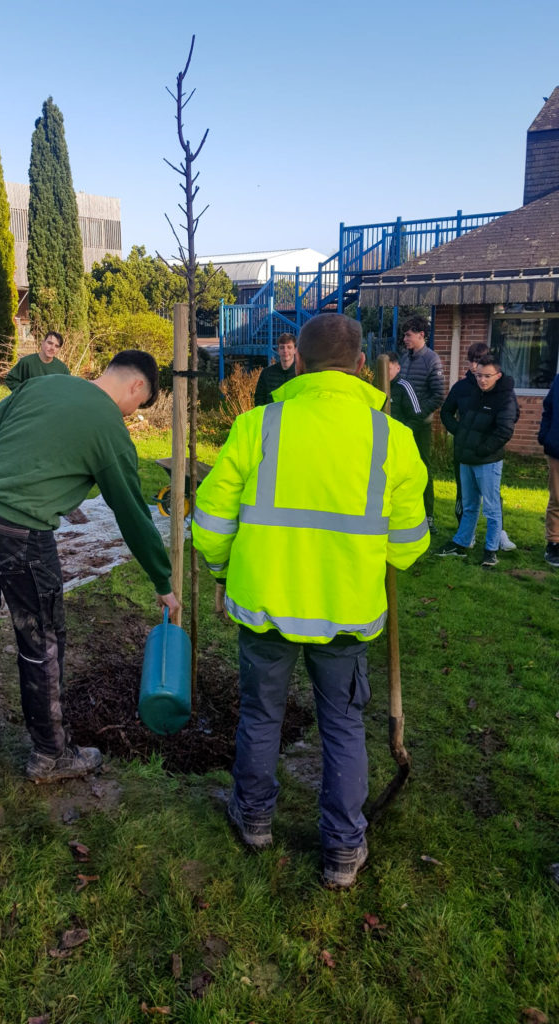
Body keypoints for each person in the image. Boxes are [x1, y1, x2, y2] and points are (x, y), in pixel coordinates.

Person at [192, 313, 428, 890]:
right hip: (346, 613)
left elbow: (211, 520)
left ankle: (253, 819)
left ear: (300, 359)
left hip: (266, 606)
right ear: (359, 366)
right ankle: (343, 851)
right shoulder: (390, 437)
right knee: (343, 726)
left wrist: (222, 573)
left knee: (260, 715)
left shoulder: (257, 426)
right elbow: (408, 543)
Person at [0, 350, 180, 782]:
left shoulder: (43, 384)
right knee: (41, 641)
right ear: (136, 387)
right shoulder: (108, 427)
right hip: (21, 534)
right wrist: (163, 579)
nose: (131, 414)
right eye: (137, 407)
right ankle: (51, 754)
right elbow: (132, 513)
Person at [438, 355, 518, 567]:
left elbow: (504, 431)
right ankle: (461, 543)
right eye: (479, 375)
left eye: (487, 376)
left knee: (491, 508)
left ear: (498, 376)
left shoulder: (505, 398)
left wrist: (482, 450)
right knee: (469, 504)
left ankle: (490, 550)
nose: (482, 380)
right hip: (466, 459)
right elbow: (463, 421)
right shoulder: (475, 393)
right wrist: (463, 441)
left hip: (487, 461)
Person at [400, 315, 445, 533]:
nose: (405, 339)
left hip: (421, 426)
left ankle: (429, 517)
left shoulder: (432, 360)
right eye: (404, 335)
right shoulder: (404, 358)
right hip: (403, 425)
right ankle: (408, 515)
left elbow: (438, 395)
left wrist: (417, 417)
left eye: (408, 335)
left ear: (421, 335)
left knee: (424, 469)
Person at [537, 371, 559, 568]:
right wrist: (545, 436)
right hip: (557, 448)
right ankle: (554, 542)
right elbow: (549, 408)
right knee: (557, 498)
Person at [4, 330, 70, 391]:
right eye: (50, 343)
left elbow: (68, 388)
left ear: (59, 349)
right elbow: (11, 380)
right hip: (30, 402)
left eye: (56, 346)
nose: (52, 348)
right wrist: (25, 392)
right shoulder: (27, 362)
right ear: (43, 343)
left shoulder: (62, 369)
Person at [253, 333, 297, 406]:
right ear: (278, 350)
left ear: (295, 350)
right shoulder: (266, 373)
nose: (285, 351)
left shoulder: (302, 373)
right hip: (271, 416)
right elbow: (259, 399)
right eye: (282, 347)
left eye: (289, 347)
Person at [387, 352, 422, 428]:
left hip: (399, 436)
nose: (385, 372)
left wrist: (401, 436)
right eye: (382, 369)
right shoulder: (375, 386)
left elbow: (416, 418)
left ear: (398, 368)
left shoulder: (405, 386)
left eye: (388, 369)